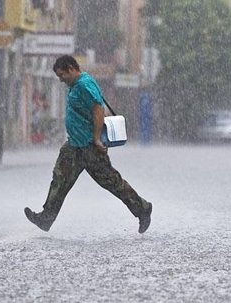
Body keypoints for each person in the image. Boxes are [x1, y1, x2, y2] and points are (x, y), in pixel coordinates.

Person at [24, 55, 152, 233]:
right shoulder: (76, 85)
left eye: (62, 75)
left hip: (90, 146)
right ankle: (46, 217)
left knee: (112, 182)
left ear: (71, 68)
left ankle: (143, 209)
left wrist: (97, 138)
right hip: (74, 146)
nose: (61, 80)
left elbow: (98, 110)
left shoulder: (84, 84)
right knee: (60, 179)